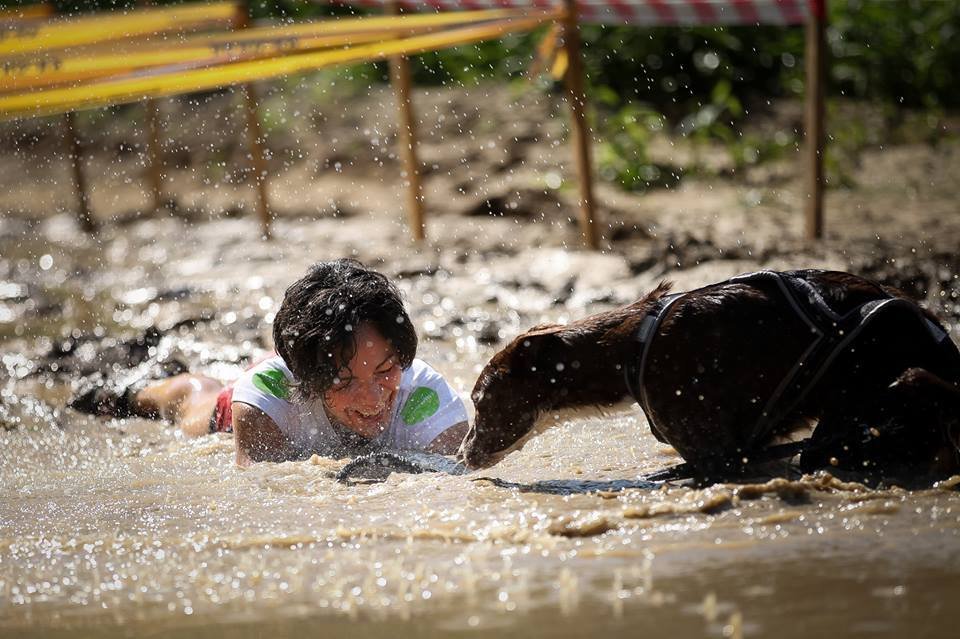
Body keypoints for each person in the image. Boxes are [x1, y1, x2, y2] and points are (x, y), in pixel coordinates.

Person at [70, 259, 469, 466]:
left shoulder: (432, 404)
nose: (371, 398)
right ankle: (140, 392)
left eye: (385, 371)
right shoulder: (264, 403)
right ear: (306, 376)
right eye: (344, 381)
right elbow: (265, 489)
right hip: (261, 399)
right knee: (193, 401)